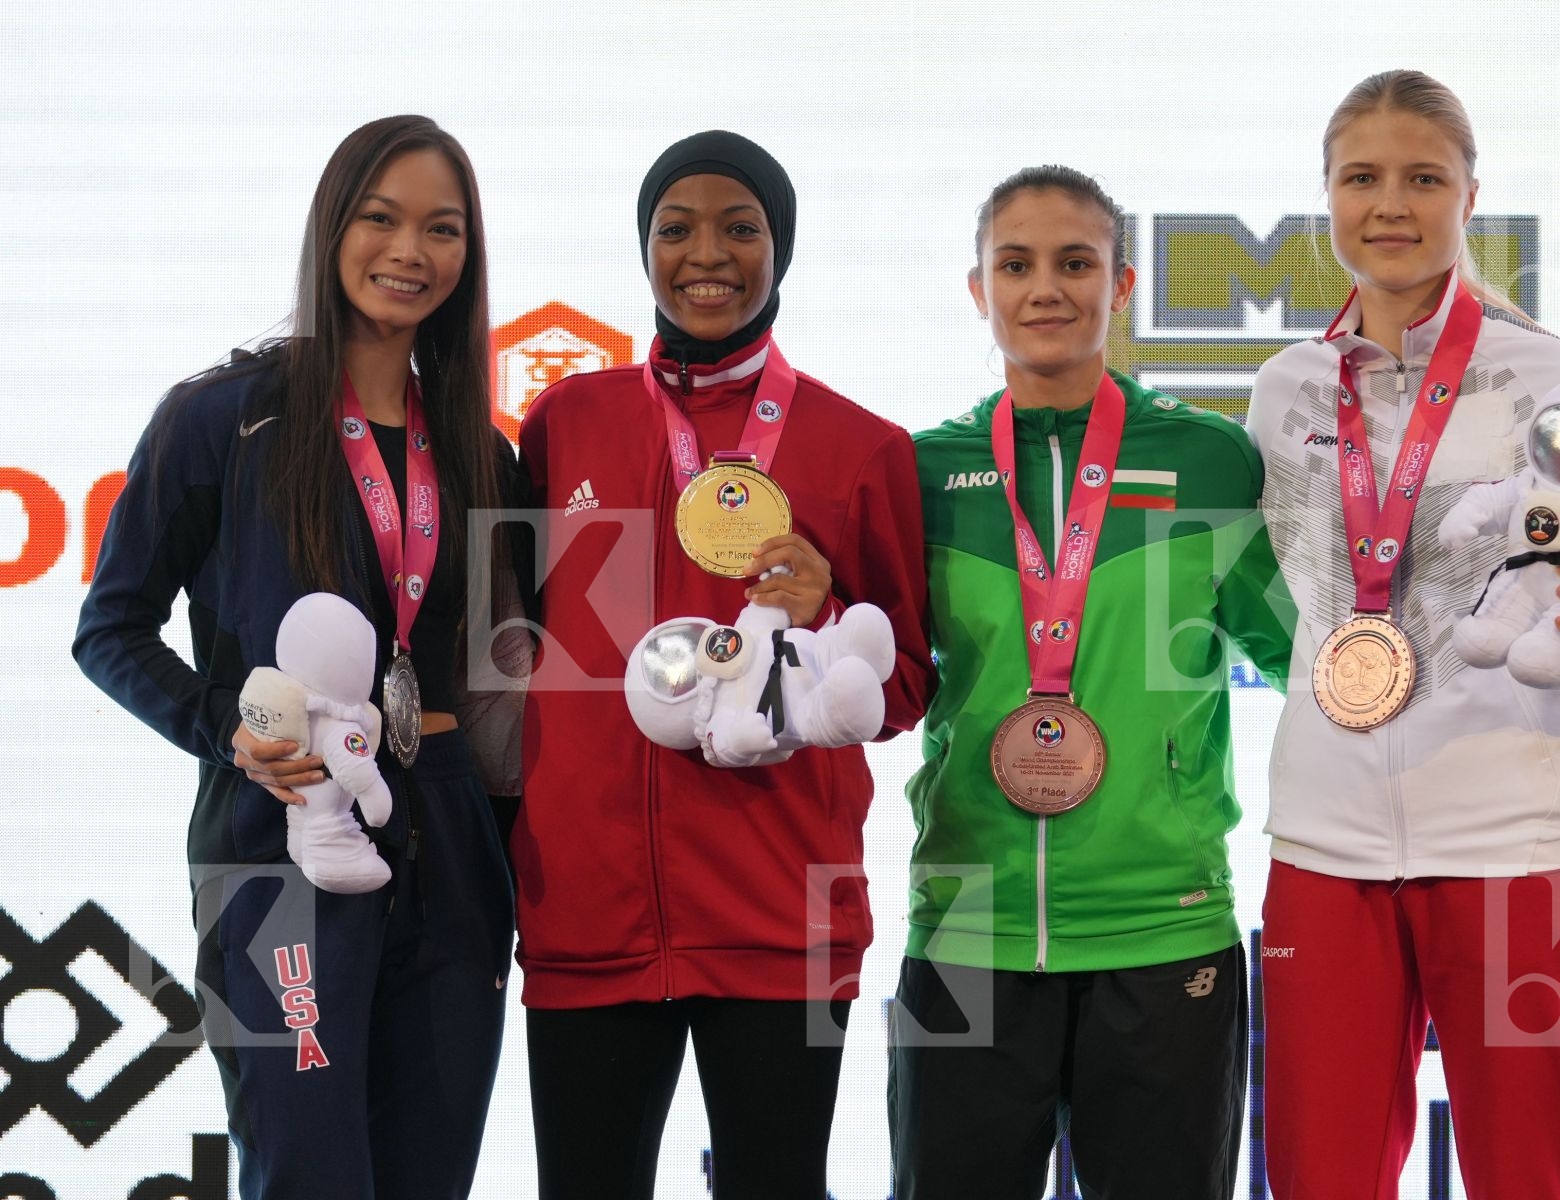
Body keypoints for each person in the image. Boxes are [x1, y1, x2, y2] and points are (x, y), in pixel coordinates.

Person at [1247, 70, 1560, 1200]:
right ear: (1327, 198)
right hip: (1325, 843)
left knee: (1529, 1173)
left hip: (1512, 847)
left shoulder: (1555, 380)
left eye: (1422, 178)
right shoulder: (1284, 391)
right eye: (1362, 178)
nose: (1389, 206)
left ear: (1469, 196)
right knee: (1319, 1177)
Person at [73, 115, 518, 1199]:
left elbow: (509, 671)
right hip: (277, 860)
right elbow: (110, 629)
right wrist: (225, 727)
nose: (409, 250)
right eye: (381, 217)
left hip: (451, 860)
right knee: (306, 1175)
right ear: (332, 227)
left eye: (442, 229)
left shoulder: (481, 451)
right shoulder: (222, 421)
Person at [512, 129, 933, 1200]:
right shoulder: (566, 423)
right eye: (676, 228)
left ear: (779, 248)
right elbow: (517, 651)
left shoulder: (858, 445)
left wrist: (821, 625)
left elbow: (904, 686)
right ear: (644, 249)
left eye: (741, 228)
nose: (709, 254)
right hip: (590, 909)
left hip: (779, 907)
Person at [891, 165, 1295, 1200]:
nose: (1045, 288)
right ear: (978, 289)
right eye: (1015, 264)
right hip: (969, 923)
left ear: (1121, 287)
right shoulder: (923, 473)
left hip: (1164, 928)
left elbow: (1306, 651)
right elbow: (872, 676)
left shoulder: (1208, 460)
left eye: (1077, 263)